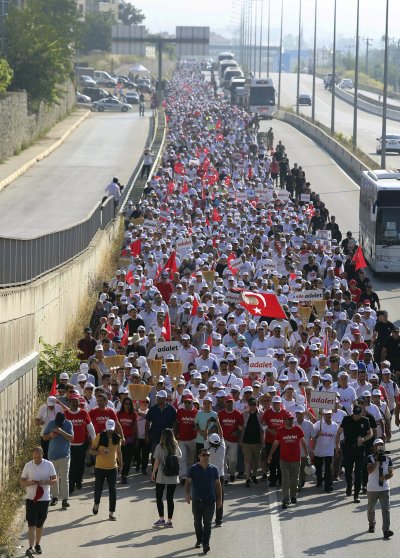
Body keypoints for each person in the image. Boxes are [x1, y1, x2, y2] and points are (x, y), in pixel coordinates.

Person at [20, 447, 57, 557]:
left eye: (39, 457)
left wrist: (45, 482)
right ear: (32, 456)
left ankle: (37, 544)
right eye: (35, 457)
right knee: (31, 523)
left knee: (40, 523)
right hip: (31, 498)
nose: (37, 459)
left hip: (44, 498)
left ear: (42, 455)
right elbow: (22, 481)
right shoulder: (28, 465)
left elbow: (55, 480)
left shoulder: (49, 464)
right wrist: (29, 483)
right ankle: (30, 547)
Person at [185, 448, 222, 554]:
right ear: (199, 456)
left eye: (208, 455)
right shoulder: (193, 468)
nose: (206, 457)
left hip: (210, 500)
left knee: (208, 523)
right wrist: (187, 494)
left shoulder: (214, 469)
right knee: (197, 522)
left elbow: (218, 485)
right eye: (204, 455)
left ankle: (206, 544)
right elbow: (188, 483)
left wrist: (219, 499)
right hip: (197, 500)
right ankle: (199, 540)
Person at [267, 414, 308, 509]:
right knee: (285, 480)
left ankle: (293, 496)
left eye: (291, 419)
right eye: (288, 419)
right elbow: (276, 443)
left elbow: (302, 442)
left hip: (296, 459)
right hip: (284, 460)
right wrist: (270, 455)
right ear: (284, 420)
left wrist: (307, 454)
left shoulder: (298, 429)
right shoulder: (280, 431)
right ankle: (285, 499)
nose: (290, 420)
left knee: (294, 480)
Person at [336, 404, 372, 503]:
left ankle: (356, 494)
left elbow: (370, 433)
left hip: (360, 449)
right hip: (348, 449)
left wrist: (364, 439)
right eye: (355, 414)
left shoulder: (365, 420)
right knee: (348, 470)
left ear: (361, 414)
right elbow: (339, 432)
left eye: (358, 415)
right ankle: (348, 485)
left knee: (358, 471)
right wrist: (337, 445)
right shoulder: (346, 419)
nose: (356, 416)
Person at [90, 418, 122, 520]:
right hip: (100, 467)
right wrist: (100, 453)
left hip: (113, 468)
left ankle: (111, 512)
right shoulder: (99, 437)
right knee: (98, 489)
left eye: (111, 430)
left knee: (113, 490)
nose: (110, 432)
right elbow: (91, 451)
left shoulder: (117, 438)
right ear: (106, 428)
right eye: (108, 430)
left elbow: (119, 452)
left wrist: (121, 464)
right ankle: (96, 503)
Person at [151, 428, 182, 528]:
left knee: (159, 497)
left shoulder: (160, 446)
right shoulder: (176, 446)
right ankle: (169, 521)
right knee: (170, 498)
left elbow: (157, 461)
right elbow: (180, 457)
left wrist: (153, 473)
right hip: (173, 475)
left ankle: (161, 519)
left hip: (162, 474)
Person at [42, 411, 73, 509]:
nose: (58, 424)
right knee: (53, 478)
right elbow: (44, 437)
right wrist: (50, 435)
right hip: (52, 455)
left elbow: (71, 438)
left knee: (64, 478)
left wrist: (61, 432)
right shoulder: (51, 423)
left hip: (65, 455)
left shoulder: (68, 424)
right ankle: (55, 497)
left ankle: (65, 500)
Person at [366, 438, 394, 539]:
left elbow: (391, 473)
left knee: (386, 510)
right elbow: (369, 470)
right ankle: (372, 524)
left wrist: (385, 477)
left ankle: (386, 530)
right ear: (373, 447)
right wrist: (377, 461)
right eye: (377, 445)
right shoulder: (370, 458)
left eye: (381, 445)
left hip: (385, 488)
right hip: (372, 488)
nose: (379, 447)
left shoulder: (388, 459)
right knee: (371, 508)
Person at [116, 397, 138, 484]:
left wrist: (137, 439)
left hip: (130, 440)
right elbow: (116, 426)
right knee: (119, 458)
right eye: (126, 404)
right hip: (120, 440)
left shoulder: (133, 414)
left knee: (128, 459)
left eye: (129, 404)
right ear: (123, 404)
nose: (127, 406)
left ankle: (124, 475)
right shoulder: (118, 414)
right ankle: (118, 471)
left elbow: (135, 427)